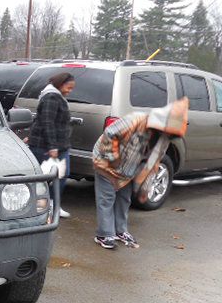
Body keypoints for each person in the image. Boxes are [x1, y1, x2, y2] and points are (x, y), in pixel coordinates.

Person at [92, 98, 189, 249]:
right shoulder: (136, 119)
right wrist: (114, 161)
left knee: (124, 199)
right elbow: (110, 134)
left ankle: (120, 231)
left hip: (128, 168)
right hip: (106, 162)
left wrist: (144, 188)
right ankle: (104, 234)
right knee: (107, 198)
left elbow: (152, 165)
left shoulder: (163, 139)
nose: (169, 135)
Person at [28, 72, 75, 218]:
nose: (70, 91)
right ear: (60, 84)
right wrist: (52, 146)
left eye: (72, 88)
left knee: (60, 175)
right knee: (45, 178)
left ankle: (53, 204)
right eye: (68, 87)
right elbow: (47, 122)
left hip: (59, 146)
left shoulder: (56, 96)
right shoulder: (51, 97)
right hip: (47, 146)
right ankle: (42, 207)